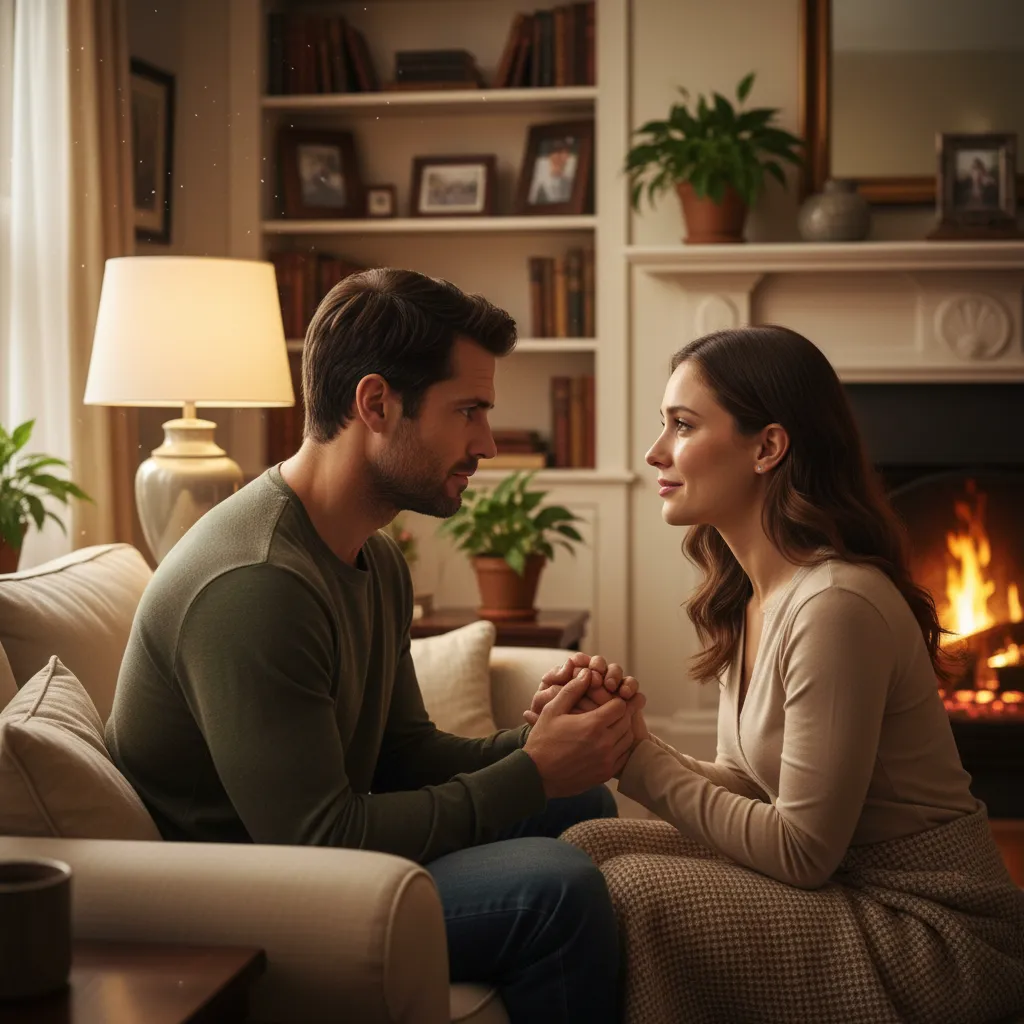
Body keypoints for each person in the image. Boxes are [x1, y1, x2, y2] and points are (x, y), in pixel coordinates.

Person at [106, 268, 645, 1023]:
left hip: (316, 863)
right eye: (470, 411)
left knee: (580, 799)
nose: (488, 443)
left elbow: (402, 753)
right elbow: (321, 838)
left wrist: (543, 743)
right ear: (376, 404)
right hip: (251, 897)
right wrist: (528, 772)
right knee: (556, 890)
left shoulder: (374, 554)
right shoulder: (255, 583)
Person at [527, 326, 1024, 1024]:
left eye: (682, 425)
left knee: (631, 889)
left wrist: (636, 763)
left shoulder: (835, 604)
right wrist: (625, 736)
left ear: (768, 447)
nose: (655, 451)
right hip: (847, 881)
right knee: (586, 848)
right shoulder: (755, 593)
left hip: (931, 927)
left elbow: (802, 850)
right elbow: (754, 784)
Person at [528, 139, 576, 205]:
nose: (565, 157)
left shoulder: (569, 173)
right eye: (558, 152)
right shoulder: (539, 166)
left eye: (566, 152)